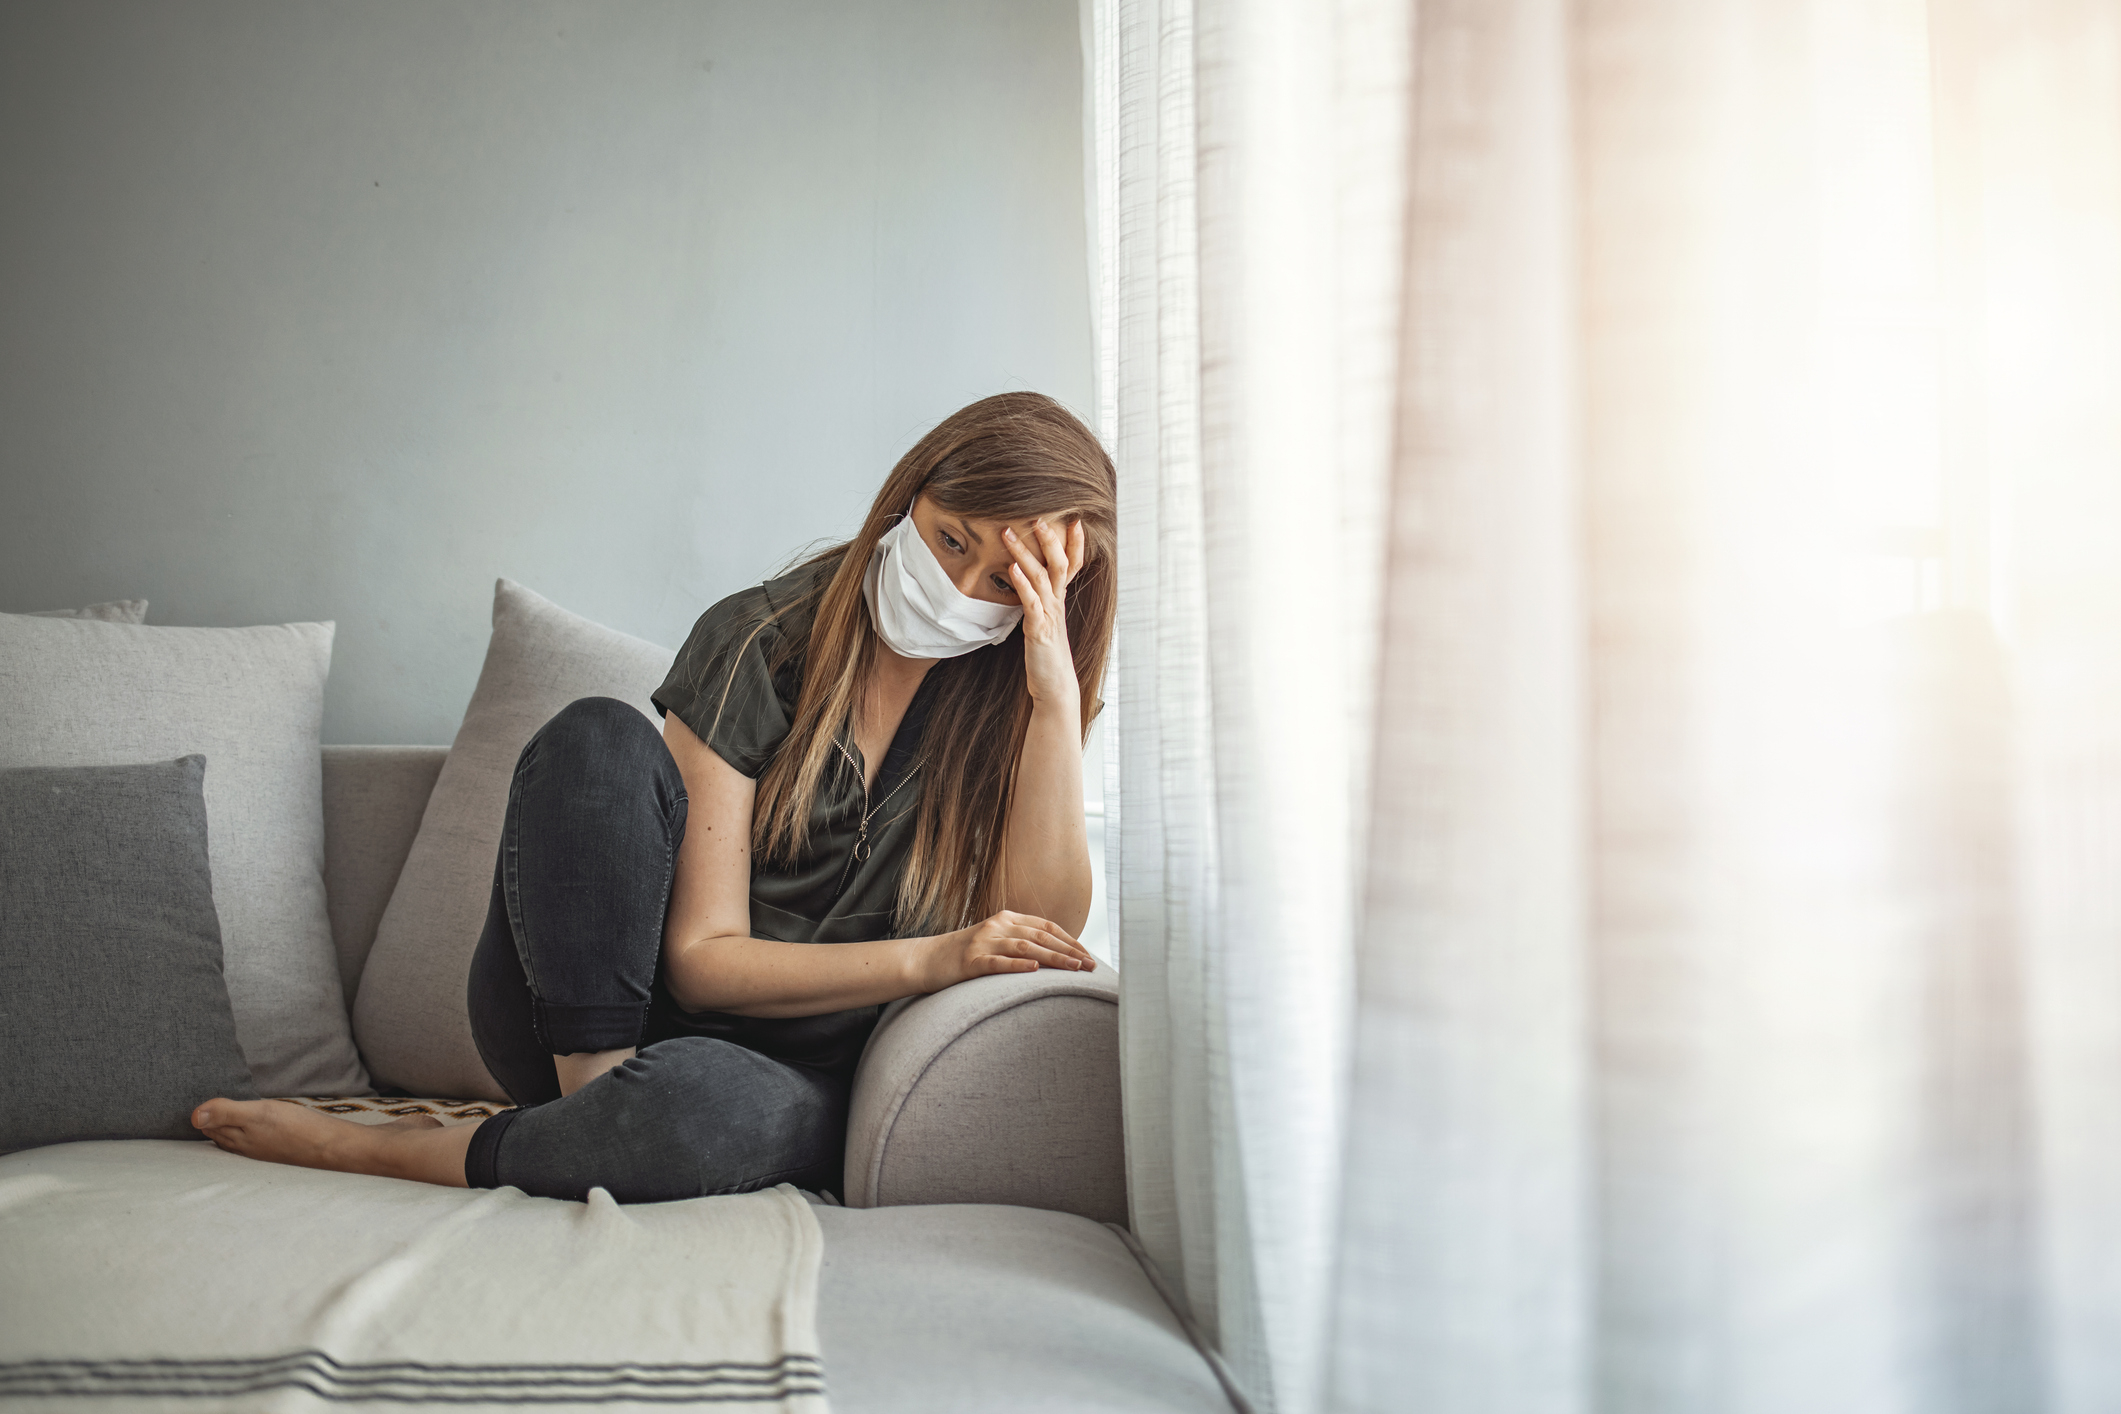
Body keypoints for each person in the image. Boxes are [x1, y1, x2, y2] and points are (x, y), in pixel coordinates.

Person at [190, 392, 1114, 1202]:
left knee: (696, 1111)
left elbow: (1039, 926)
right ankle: (594, 1116)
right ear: (909, 497)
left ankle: (436, 1151)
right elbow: (702, 961)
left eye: (1001, 578)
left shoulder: (1018, 706)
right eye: (949, 539)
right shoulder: (759, 639)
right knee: (595, 735)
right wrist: (929, 958)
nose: (955, 587)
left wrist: (1051, 696)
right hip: (591, 1020)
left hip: (786, 1077)